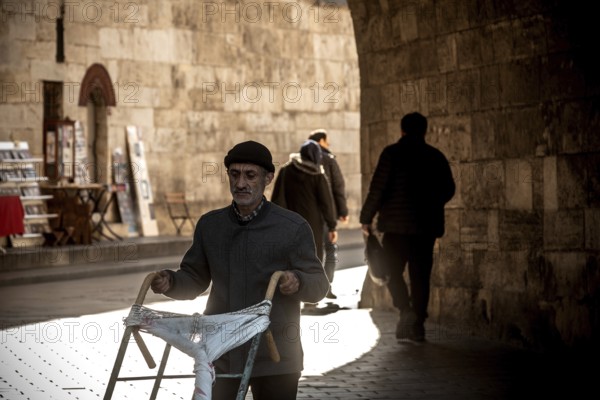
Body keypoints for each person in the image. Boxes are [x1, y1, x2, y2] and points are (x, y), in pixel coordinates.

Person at [150, 140, 330, 400]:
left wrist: (297, 281)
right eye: (234, 174)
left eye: (250, 175)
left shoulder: (292, 227)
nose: (241, 183)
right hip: (222, 353)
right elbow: (194, 278)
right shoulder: (211, 225)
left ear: (268, 178)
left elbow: (319, 285)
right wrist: (172, 282)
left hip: (276, 355)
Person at [359, 112, 455, 342]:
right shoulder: (435, 156)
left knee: (392, 272)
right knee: (421, 276)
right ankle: (418, 325)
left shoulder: (391, 154)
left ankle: (405, 309)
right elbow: (448, 189)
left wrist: (366, 218)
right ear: (424, 131)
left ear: (402, 130)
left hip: (395, 227)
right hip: (425, 228)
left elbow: (378, 189)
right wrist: (432, 203)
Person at [271, 140, 338, 268]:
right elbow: (326, 203)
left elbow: (277, 198)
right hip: (312, 226)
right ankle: (310, 286)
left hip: (289, 223)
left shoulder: (286, 170)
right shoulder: (318, 174)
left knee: (291, 259)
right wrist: (332, 226)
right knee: (312, 259)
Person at [308, 129, 349, 299]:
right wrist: (342, 211)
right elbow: (338, 187)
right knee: (330, 249)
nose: (329, 144)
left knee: (310, 251)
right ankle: (326, 286)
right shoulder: (329, 159)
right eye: (327, 141)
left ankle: (311, 288)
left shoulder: (299, 160)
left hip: (306, 214)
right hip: (326, 214)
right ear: (322, 141)